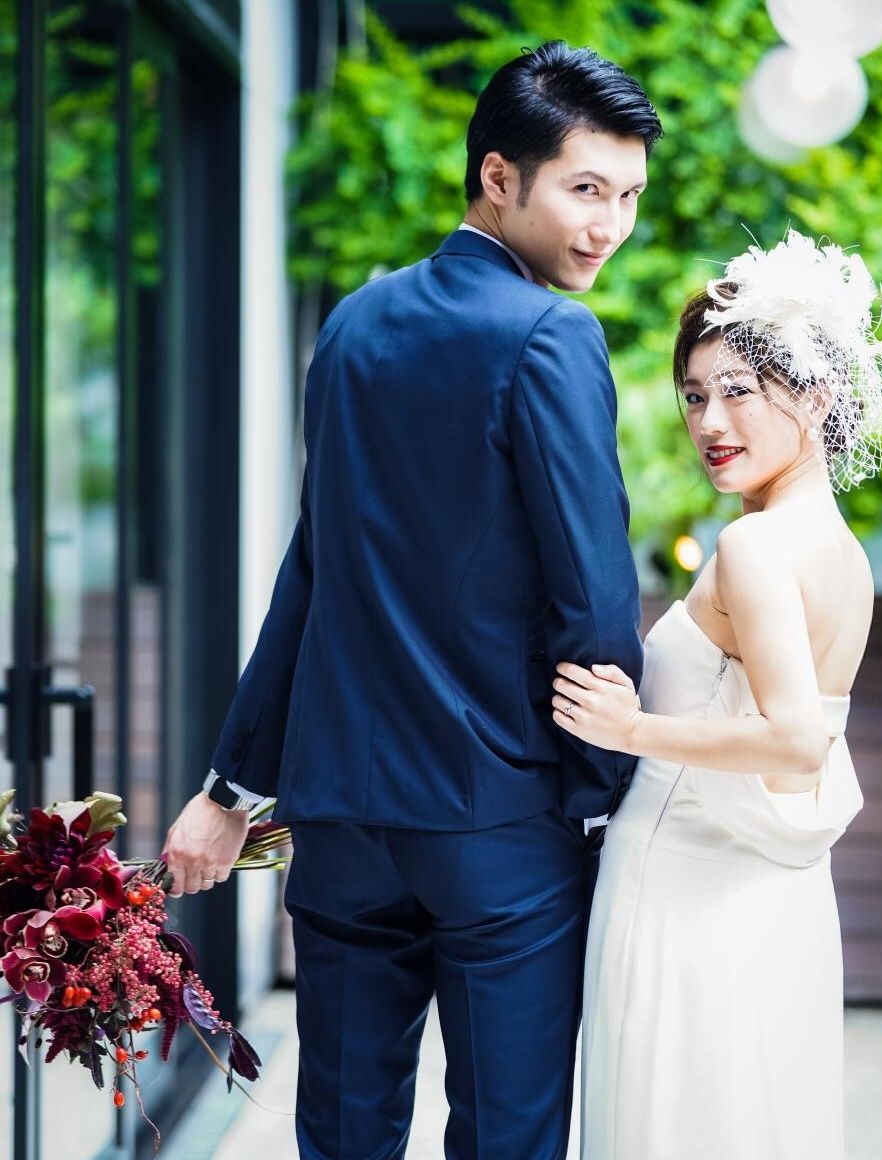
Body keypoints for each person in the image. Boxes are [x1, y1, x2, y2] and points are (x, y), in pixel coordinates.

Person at [161, 41, 662, 1160]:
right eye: (587, 189)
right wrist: (600, 798)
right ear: (498, 176)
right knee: (505, 1138)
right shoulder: (553, 334)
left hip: (343, 825)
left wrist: (233, 783)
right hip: (501, 826)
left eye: (629, 196)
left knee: (343, 1134)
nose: (609, 226)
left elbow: (312, 572)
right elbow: (592, 599)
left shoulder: (354, 323)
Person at [552, 231, 882, 1160]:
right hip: (779, 906)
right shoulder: (844, 555)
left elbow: (796, 737)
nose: (710, 420)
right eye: (694, 395)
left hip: (684, 892)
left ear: (818, 395)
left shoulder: (754, 547)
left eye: (739, 390)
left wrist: (631, 727)